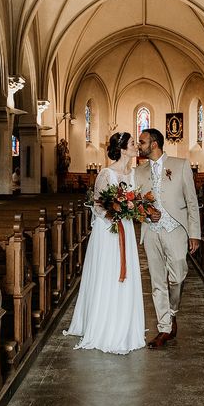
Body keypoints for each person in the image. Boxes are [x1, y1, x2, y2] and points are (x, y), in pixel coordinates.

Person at [63, 132, 145, 354]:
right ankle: (104, 325)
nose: (136, 146)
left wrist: (131, 210)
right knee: (108, 274)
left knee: (126, 276)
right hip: (108, 231)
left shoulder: (134, 174)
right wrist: (115, 215)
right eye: (132, 144)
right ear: (122, 149)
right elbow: (97, 206)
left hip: (125, 229)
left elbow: (136, 200)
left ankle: (125, 324)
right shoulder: (106, 173)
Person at [135, 128, 201, 349]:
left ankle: (172, 312)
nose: (139, 146)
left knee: (178, 276)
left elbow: (192, 202)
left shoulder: (181, 165)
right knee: (156, 282)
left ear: (154, 144)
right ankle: (164, 328)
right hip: (151, 231)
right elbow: (135, 204)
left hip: (176, 230)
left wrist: (194, 233)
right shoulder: (139, 171)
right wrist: (145, 213)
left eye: (142, 142)